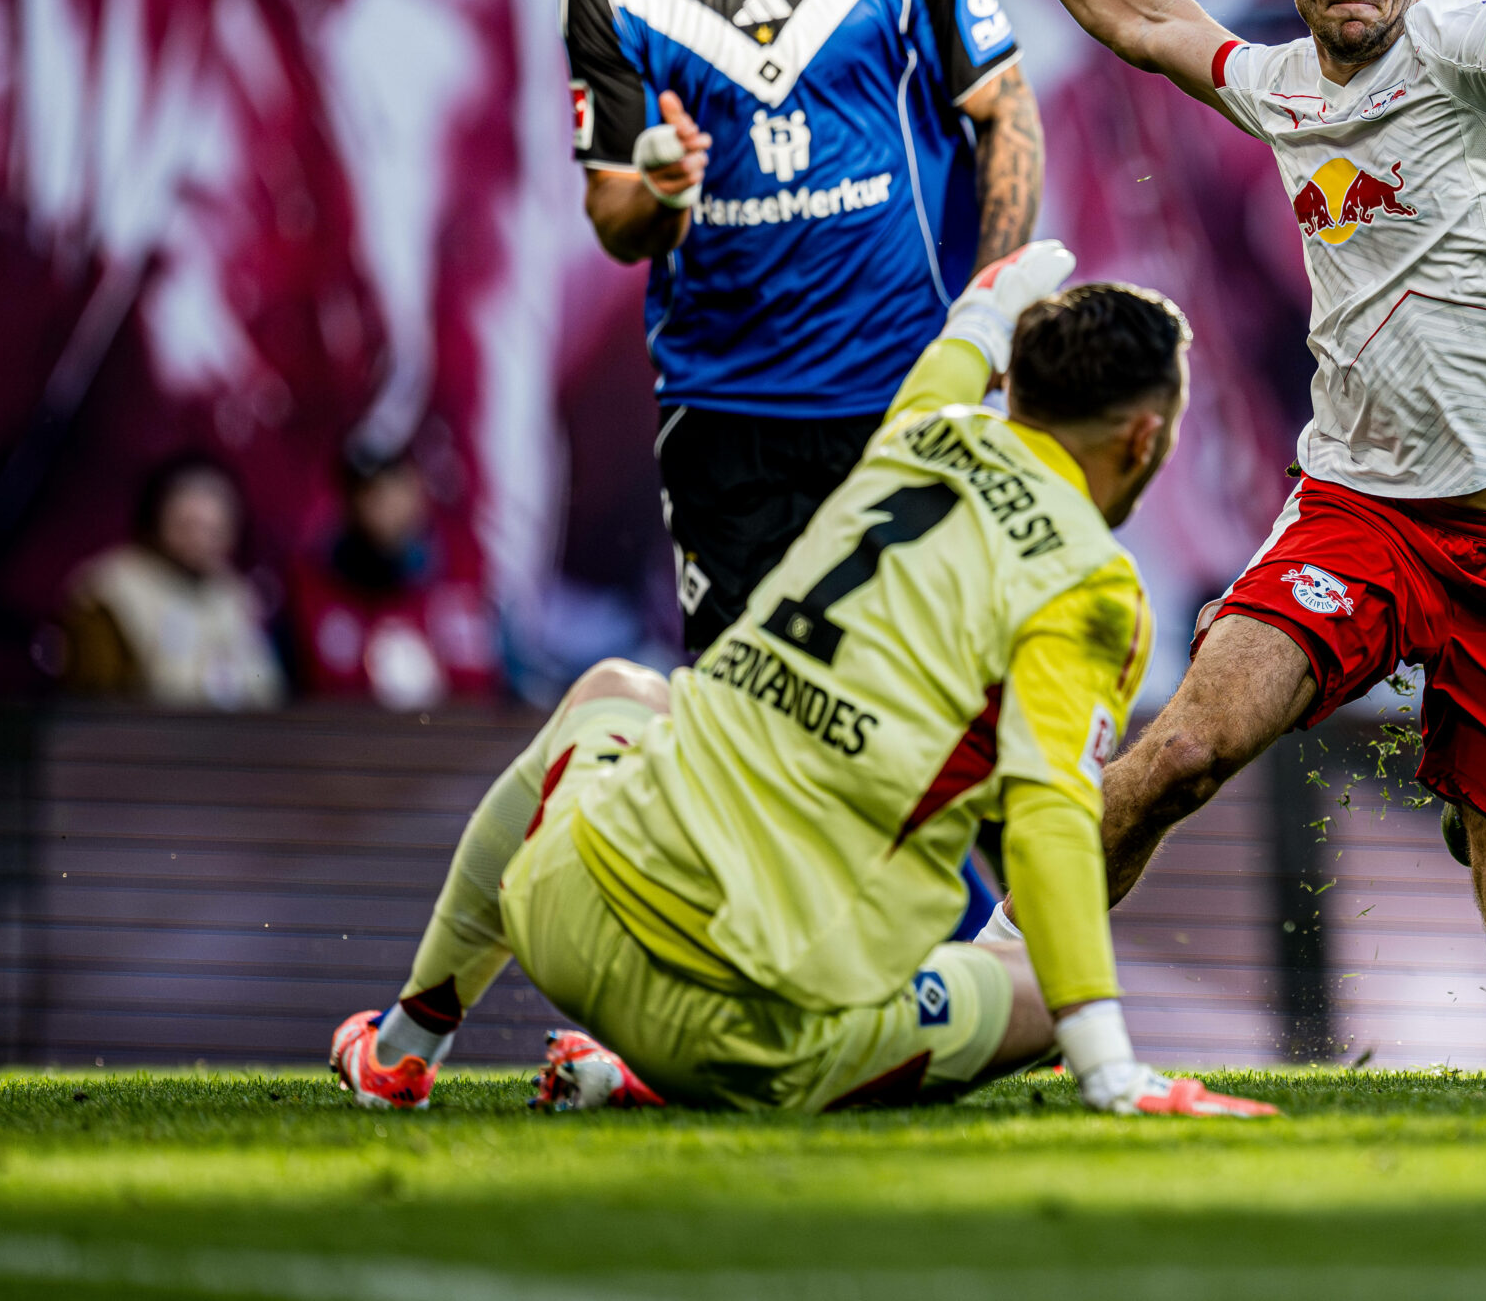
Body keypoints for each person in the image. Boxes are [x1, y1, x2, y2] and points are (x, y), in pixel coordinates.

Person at [905, 0, 1486, 1006]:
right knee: (1181, 754)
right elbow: (1156, 24)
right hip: (1364, 515)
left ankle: (1465, 752)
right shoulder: (1282, 88)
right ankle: (970, 992)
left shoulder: (1464, 50)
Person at [328, 244, 1274, 1119]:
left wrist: (991, 310)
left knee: (615, 687)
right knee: (1027, 983)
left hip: (561, 908)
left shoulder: (912, 438)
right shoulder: (1091, 584)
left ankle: (406, 1046)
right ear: (1146, 436)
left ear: (1012, 391)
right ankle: (664, 1074)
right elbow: (1049, 822)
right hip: (728, 1029)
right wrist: (1109, 1062)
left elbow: (953, 357)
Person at [565, 0, 1042, 657]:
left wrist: (987, 324)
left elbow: (1006, 114)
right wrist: (661, 184)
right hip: (721, 406)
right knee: (745, 728)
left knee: (914, 708)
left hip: (903, 391)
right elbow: (613, 219)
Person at [61, 454, 284, 709]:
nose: (200, 541)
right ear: (157, 517)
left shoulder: (236, 595)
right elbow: (97, 705)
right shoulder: (113, 590)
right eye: (188, 526)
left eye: (213, 531)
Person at [287, 446, 497, 708]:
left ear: (419, 491)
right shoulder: (315, 585)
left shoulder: (463, 572)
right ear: (349, 505)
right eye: (371, 494)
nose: (386, 506)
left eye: (396, 488)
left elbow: (489, 685)